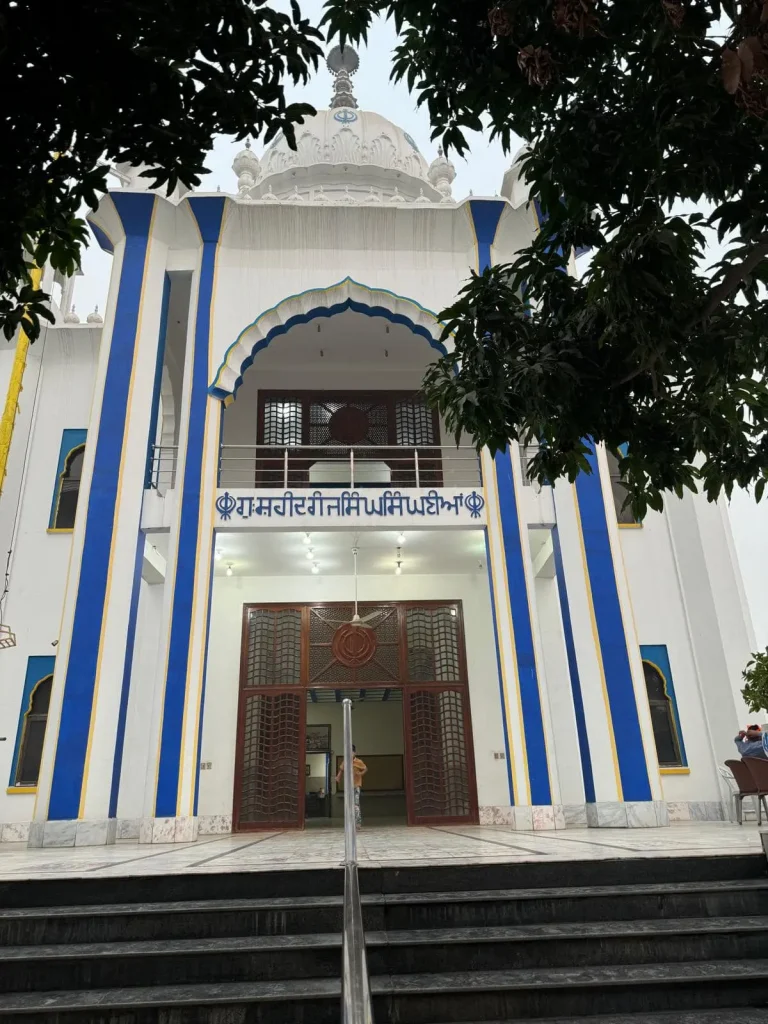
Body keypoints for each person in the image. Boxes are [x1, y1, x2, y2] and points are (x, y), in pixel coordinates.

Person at [336, 745, 368, 830]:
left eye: (351, 752)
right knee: (348, 805)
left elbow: (365, 768)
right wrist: (338, 777)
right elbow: (341, 770)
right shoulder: (345, 761)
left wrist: (361, 774)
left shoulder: (359, 762)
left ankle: (358, 823)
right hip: (348, 787)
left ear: (354, 753)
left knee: (356, 805)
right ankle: (349, 822)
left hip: (356, 786)